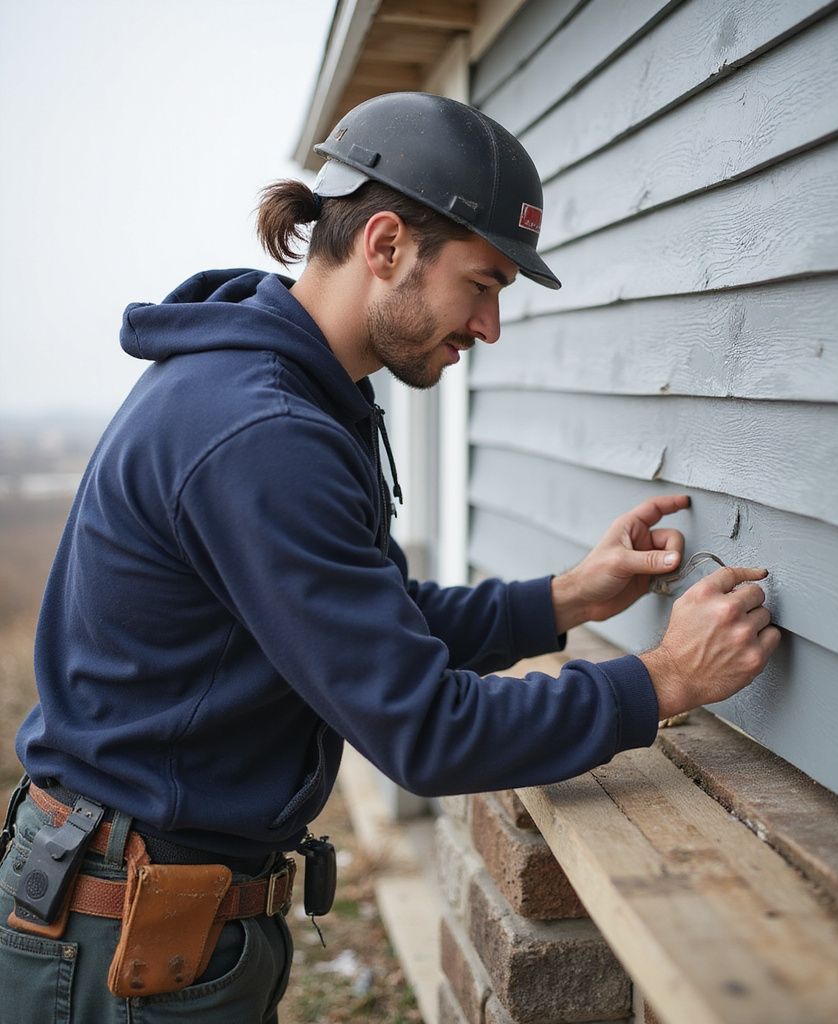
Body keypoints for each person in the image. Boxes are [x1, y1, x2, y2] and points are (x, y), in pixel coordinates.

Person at [0, 92, 779, 1022]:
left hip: (154, 908)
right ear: (384, 245)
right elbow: (427, 730)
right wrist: (662, 680)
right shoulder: (261, 432)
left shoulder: (286, 389)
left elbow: (368, 616)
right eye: (482, 284)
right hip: (121, 936)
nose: (489, 327)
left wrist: (567, 597)